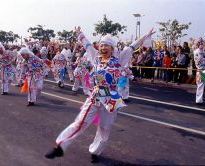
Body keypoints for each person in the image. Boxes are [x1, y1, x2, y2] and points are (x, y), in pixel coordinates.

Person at [45, 26, 156, 163]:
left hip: (111, 96)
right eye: (102, 45)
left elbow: (133, 46)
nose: (103, 47)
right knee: (80, 122)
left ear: (112, 48)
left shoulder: (120, 58)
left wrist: (146, 35)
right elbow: (87, 44)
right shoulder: (95, 57)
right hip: (96, 94)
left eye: (106, 46)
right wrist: (80, 33)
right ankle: (60, 146)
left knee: (104, 128)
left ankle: (96, 151)